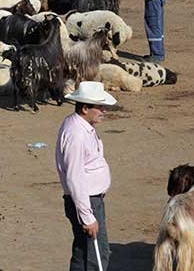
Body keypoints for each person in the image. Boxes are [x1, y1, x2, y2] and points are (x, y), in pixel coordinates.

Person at [56, 81, 115, 271]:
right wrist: (87, 216)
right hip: (86, 201)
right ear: (85, 108)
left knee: (83, 252)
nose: (103, 111)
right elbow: (75, 177)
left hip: (88, 200)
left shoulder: (79, 125)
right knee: (96, 255)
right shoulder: (77, 134)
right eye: (99, 107)